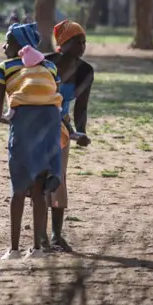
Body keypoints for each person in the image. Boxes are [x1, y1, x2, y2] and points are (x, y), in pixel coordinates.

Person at [0, 22, 63, 260]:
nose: (4, 45)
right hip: (50, 126)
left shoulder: (4, 67)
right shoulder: (50, 67)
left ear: (20, 44)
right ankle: (37, 249)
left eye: (8, 40)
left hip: (24, 128)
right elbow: (53, 100)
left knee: (17, 190)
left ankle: (14, 250)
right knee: (38, 191)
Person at [44, 20, 94, 252]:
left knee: (58, 179)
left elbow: (81, 107)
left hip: (62, 130)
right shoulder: (44, 64)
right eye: (77, 42)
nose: (82, 47)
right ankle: (39, 236)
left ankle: (56, 235)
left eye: (84, 42)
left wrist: (81, 132)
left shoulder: (85, 71)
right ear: (63, 44)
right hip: (35, 125)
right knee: (37, 180)